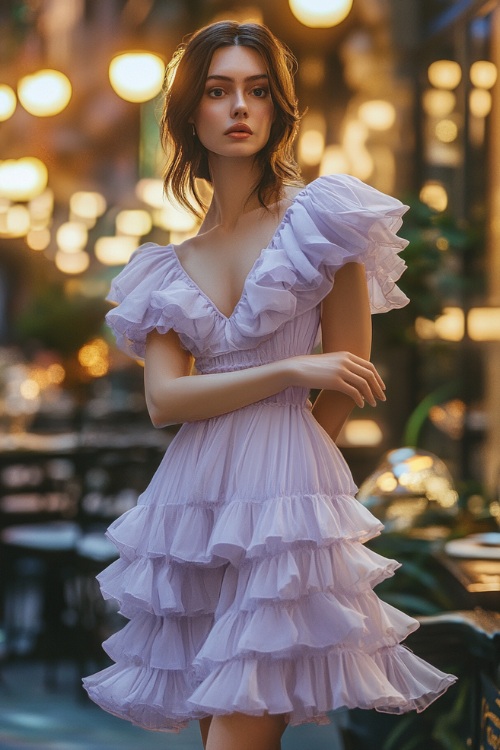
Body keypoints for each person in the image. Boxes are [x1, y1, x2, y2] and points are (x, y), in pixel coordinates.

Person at [83, 20, 456, 750]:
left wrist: (293, 468)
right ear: (192, 113)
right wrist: (291, 369)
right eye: (218, 91)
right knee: (213, 722)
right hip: (192, 504)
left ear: (279, 109)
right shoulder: (166, 265)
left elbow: (349, 375)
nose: (239, 107)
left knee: (238, 731)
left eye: (257, 90)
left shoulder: (324, 222)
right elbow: (165, 401)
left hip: (288, 494)